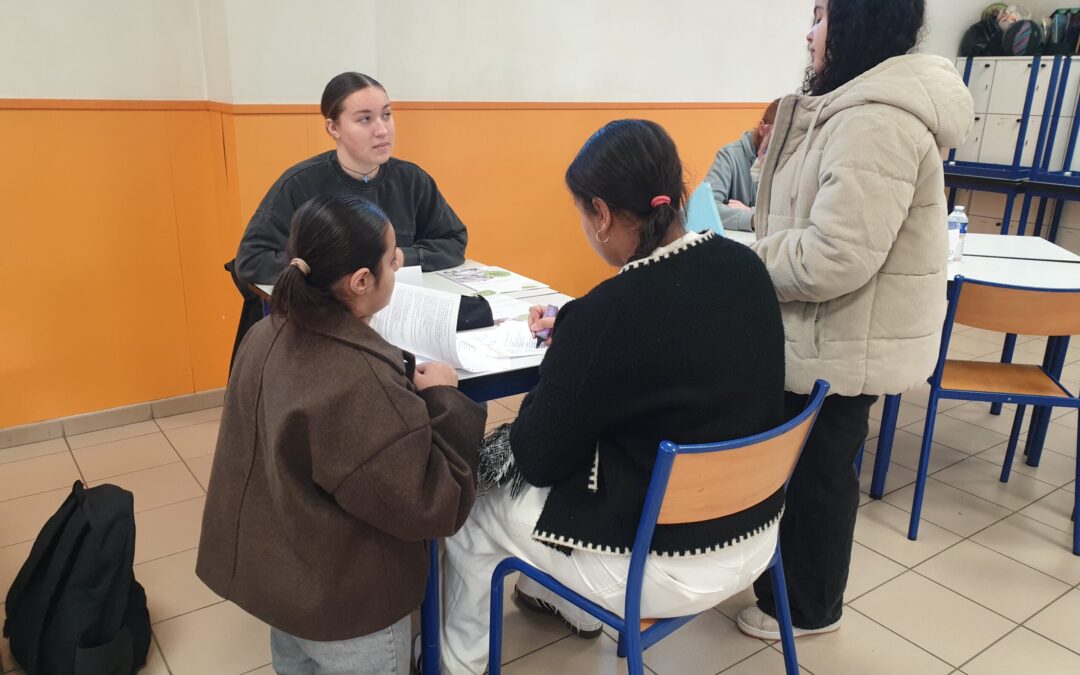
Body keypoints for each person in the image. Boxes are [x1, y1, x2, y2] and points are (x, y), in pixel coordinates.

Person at [440, 119, 787, 674]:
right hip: (758, 534)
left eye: (582, 213)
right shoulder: (744, 267)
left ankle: (456, 663)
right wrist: (578, 333)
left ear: (601, 214)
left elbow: (537, 456)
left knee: (477, 508)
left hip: (667, 564)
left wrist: (573, 346)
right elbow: (668, 343)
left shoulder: (608, 316)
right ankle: (566, 605)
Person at [735, 0, 974, 640]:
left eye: (821, 17)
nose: (810, 33)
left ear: (856, 24)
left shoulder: (876, 119)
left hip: (840, 341)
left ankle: (808, 609)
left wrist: (748, 259)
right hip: (824, 335)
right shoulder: (849, 106)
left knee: (817, 477)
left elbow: (836, 256)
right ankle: (787, 592)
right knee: (805, 471)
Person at [197, 194, 485, 674]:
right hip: (345, 610)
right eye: (392, 260)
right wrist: (444, 400)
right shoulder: (357, 381)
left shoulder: (264, 334)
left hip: (281, 586)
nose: (398, 265)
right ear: (361, 281)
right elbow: (435, 504)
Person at [229, 72, 469, 362]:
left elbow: (453, 240)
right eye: (365, 119)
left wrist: (401, 257)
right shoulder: (299, 184)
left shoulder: (412, 180)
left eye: (387, 115)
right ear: (333, 127)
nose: (382, 130)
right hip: (322, 331)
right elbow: (251, 261)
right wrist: (330, 275)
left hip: (403, 325)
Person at [704, 99, 780, 232]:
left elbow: (798, 213)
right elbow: (706, 208)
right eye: (777, 135)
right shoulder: (729, 155)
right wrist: (753, 219)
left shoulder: (794, 160)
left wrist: (750, 211)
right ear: (762, 128)